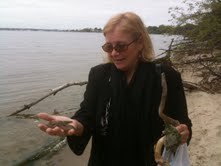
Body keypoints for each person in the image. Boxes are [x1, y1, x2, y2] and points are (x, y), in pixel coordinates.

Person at [37, 12, 192, 166]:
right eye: (108, 46)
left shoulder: (166, 77)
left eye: (121, 46)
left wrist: (183, 133)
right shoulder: (99, 75)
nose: (114, 53)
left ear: (140, 42)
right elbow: (87, 114)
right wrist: (76, 126)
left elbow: (183, 123)